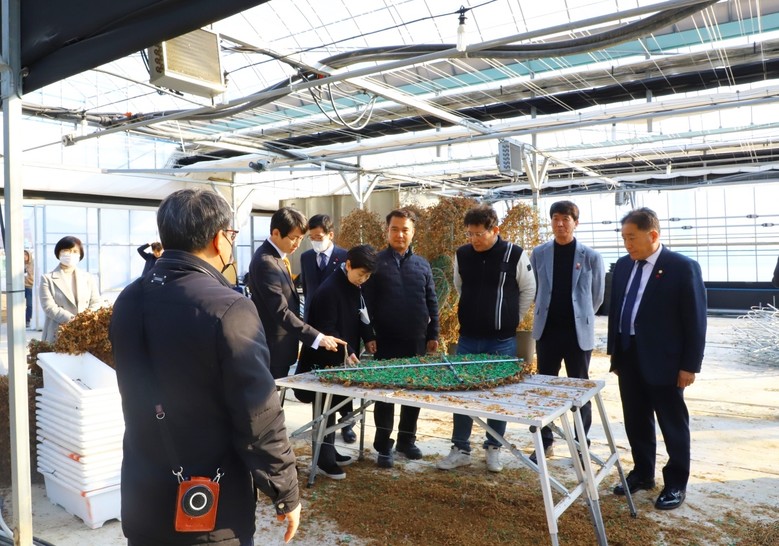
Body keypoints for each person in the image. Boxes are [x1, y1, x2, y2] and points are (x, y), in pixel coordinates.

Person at [110, 189, 301, 545]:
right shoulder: (228, 308)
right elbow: (258, 414)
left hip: (143, 493)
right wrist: (284, 489)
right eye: (232, 235)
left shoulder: (128, 298)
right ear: (219, 239)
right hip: (209, 505)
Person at [607, 207, 706, 511]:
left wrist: (690, 366)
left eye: (632, 237)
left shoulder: (681, 267)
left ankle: (676, 483)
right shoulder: (623, 265)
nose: (627, 244)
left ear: (652, 234)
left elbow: (695, 320)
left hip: (666, 361)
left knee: (672, 424)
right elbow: (617, 310)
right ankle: (642, 473)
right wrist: (616, 352)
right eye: (624, 238)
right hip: (628, 355)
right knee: (636, 420)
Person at [436, 204, 535, 473]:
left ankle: (493, 448)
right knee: (463, 393)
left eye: (479, 234)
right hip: (468, 338)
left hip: (501, 340)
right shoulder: (462, 254)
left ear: (495, 230)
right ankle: (460, 449)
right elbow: (460, 286)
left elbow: (528, 289)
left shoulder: (514, 254)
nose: (474, 239)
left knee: (497, 394)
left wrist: (511, 318)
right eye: (470, 234)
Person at [363, 209, 440, 469]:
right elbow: (365, 304)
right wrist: (368, 335)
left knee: (413, 393)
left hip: (416, 340)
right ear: (387, 231)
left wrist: (433, 333)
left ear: (413, 232)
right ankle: (383, 446)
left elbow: (431, 301)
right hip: (385, 340)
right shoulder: (376, 262)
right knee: (384, 395)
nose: (399, 234)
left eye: (405, 230)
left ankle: (407, 440)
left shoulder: (422, 264)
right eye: (394, 229)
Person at [529, 200, 605, 463]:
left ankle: (581, 444)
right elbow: (535, 289)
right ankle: (545, 442)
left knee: (580, 389)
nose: (560, 224)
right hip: (547, 332)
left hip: (577, 335)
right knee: (545, 387)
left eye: (566, 219)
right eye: (555, 218)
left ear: (576, 223)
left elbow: (597, 296)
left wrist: (581, 316)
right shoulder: (539, 253)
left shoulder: (591, 256)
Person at [297, 244, 378, 479]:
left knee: (332, 407)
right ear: (348, 265)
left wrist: (368, 337)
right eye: (361, 274)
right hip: (323, 359)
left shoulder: (353, 284)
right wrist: (349, 351)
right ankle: (323, 459)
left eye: (368, 276)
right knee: (324, 409)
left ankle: (330, 451)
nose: (363, 280)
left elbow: (361, 313)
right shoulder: (329, 290)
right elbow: (327, 329)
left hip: (341, 354)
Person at [247, 206, 345, 379]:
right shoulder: (266, 262)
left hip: (281, 348)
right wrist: (317, 338)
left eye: (301, 238)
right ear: (276, 233)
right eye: (293, 238)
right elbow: (280, 311)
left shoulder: (278, 258)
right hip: (272, 349)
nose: (297, 245)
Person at [297, 214, 355, 443]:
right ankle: (321, 421)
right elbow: (307, 289)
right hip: (314, 327)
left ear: (331, 234)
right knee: (319, 378)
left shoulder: (345, 257)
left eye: (319, 237)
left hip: (338, 326)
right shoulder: (306, 258)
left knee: (342, 376)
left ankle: (347, 422)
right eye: (311, 238)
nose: (315, 241)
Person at [39, 236, 102, 343]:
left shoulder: (88, 277)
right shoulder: (47, 278)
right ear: (58, 253)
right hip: (58, 332)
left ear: (80, 255)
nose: (70, 254)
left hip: (85, 332)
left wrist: (85, 319)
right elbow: (49, 307)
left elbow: (96, 301)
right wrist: (74, 321)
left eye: (75, 251)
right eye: (66, 250)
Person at [24, 250, 34, 329]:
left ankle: (27, 320)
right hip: (20, 287)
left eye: (26, 254)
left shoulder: (33, 264)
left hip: (29, 287)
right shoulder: (20, 264)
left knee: (29, 305)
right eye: (23, 255)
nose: (24, 256)